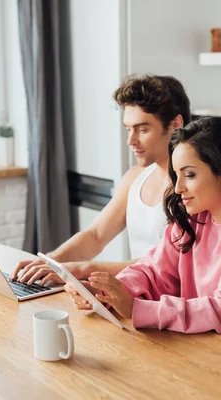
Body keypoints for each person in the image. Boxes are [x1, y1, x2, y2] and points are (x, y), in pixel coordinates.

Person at [68, 116, 221, 368]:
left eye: (190, 174)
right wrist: (111, 293)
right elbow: (153, 272)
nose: (179, 187)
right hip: (208, 350)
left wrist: (140, 309)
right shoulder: (194, 220)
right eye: (176, 175)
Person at [10, 74, 191, 285]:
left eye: (142, 129)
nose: (131, 141)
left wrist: (84, 269)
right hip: (134, 296)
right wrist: (52, 260)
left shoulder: (191, 187)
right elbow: (96, 235)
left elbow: (167, 263)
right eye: (128, 129)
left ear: (175, 125)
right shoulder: (135, 178)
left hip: (170, 305)